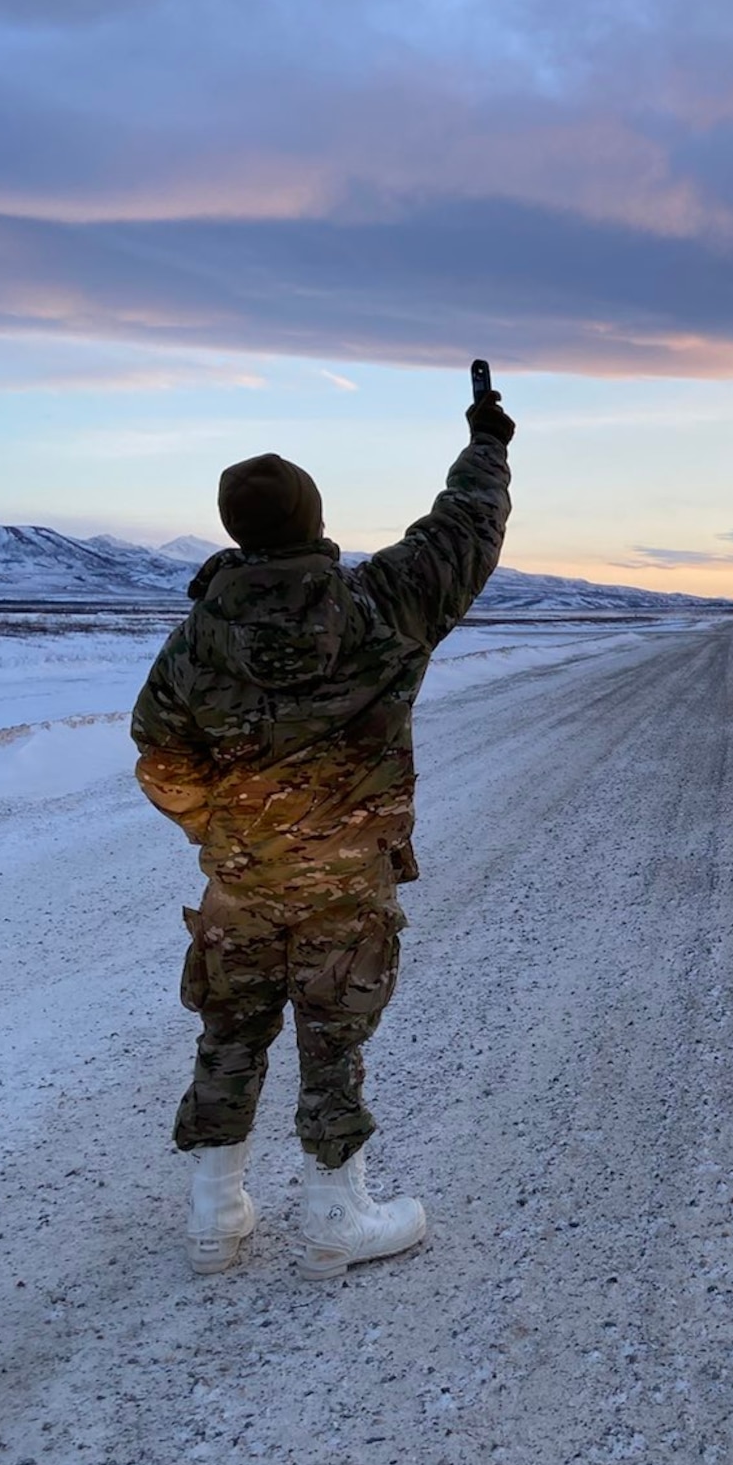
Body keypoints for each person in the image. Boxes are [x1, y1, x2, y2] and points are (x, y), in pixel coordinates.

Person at [131, 382, 515, 1280]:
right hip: (347, 883)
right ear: (314, 521)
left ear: (235, 529)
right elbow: (463, 532)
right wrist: (488, 441)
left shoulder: (196, 640)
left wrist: (219, 828)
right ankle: (336, 1221)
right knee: (332, 1041)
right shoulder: (383, 605)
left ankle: (214, 1219)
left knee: (230, 1029)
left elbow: (158, 753)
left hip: (242, 879)